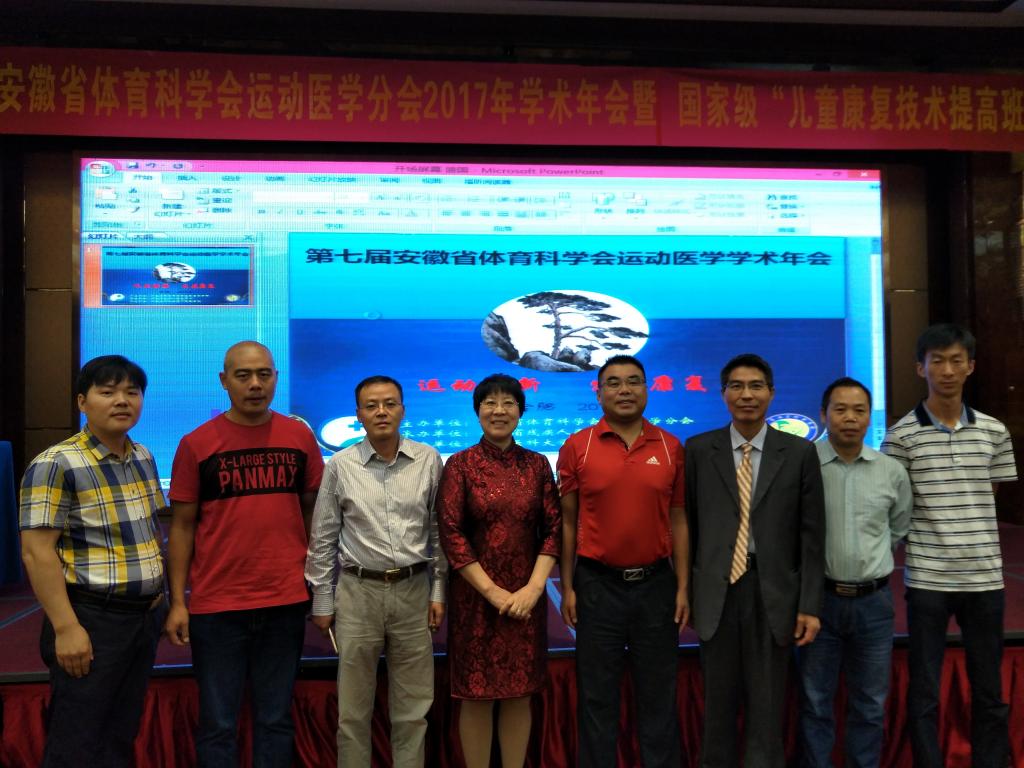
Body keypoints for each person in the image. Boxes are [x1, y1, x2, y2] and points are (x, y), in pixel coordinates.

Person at [164, 341, 324, 767]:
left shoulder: (299, 437)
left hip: (285, 600)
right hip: (217, 606)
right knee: (218, 723)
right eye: (243, 375)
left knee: (275, 719)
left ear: (275, 378)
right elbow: (181, 527)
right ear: (224, 381)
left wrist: (321, 584)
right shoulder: (196, 444)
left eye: (264, 374)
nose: (255, 384)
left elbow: (313, 512)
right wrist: (177, 601)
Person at [881, 323, 1017, 768]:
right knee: (924, 689)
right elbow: (896, 505)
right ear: (920, 368)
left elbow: (989, 495)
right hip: (928, 579)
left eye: (957, 360)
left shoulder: (994, 431)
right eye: (936, 360)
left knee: (989, 688)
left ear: (971, 366)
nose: (947, 370)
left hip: (985, 579)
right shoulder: (900, 436)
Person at [19, 355, 166, 767]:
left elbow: (149, 532)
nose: (122, 401)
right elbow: (36, 552)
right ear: (82, 402)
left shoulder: (142, 456)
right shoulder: (55, 463)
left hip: (143, 619)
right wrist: (67, 628)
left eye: (132, 392)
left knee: (121, 733)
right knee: (77, 740)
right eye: (108, 392)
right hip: (91, 620)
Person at [685, 353, 825, 768]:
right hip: (716, 591)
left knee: (767, 710)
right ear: (723, 393)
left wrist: (809, 605)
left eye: (756, 386)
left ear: (771, 393)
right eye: (737, 386)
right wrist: (686, 591)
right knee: (718, 710)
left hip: (774, 592)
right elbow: (687, 526)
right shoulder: (698, 450)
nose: (747, 395)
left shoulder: (799, 452)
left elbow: (812, 536)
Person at [304, 375, 447, 768]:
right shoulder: (341, 465)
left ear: (403, 409)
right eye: (371, 406)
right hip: (358, 592)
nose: (381, 412)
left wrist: (438, 591)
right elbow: (323, 536)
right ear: (358, 414)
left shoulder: (428, 460)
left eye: (389, 404)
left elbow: (438, 531)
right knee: (353, 710)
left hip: (414, 590)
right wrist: (322, 600)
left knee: (413, 708)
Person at [557, 354, 689, 768]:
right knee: (597, 698)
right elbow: (568, 521)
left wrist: (683, 586)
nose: (624, 390)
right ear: (598, 393)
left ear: (647, 389)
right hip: (597, 585)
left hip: (656, 585)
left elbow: (679, 518)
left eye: (634, 381)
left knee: (658, 696)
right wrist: (568, 586)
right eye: (613, 383)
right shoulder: (578, 446)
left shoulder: (670, 446)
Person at [437, 374, 561, 768]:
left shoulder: (537, 465)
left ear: (521, 412)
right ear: (477, 411)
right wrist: (492, 592)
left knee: (518, 694)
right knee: (475, 696)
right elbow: (451, 533)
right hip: (475, 598)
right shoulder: (459, 465)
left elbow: (554, 529)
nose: (499, 410)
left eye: (508, 403)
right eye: (489, 403)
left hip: (525, 599)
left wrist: (533, 589)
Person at [797, 377, 911, 768]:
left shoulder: (891, 471)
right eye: (840, 409)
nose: (850, 418)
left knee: (870, 704)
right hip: (818, 603)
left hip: (874, 605)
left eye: (859, 410)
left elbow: (898, 528)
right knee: (815, 703)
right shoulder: (802, 466)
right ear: (823, 414)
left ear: (869, 417)